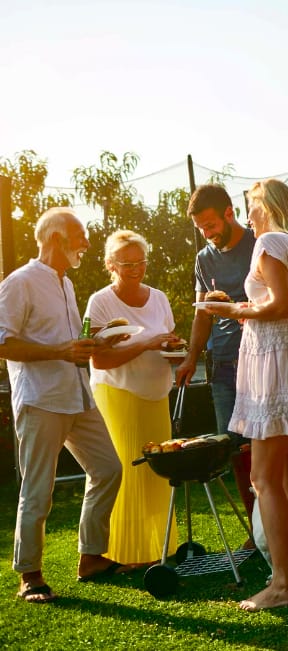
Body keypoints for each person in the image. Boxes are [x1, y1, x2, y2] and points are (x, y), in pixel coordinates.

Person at [203, 178, 288, 611]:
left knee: (264, 479)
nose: (247, 215)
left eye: (251, 205)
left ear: (268, 205)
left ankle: (283, 584)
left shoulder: (270, 243)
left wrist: (233, 310)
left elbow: (279, 306)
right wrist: (253, 317)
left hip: (274, 372)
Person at [0, 207, 125, 603]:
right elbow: (3, 343)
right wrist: (60, 350)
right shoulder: (19, 283)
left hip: (77, 394)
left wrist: (99, 341)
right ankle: (30, 576)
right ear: (56, 238)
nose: (86, 243)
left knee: (108, 468)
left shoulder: (66, 284)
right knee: (38, 489)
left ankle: (91, 557)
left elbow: (70, 342)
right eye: (80, 235)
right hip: (41, 399)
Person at [85, 230, 186, 567]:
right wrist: (146, 343)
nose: (135, 268)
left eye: (140, 261)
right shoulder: (101, 302)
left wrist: (175, 350)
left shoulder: (158, 298)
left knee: (158, 471)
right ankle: (123, 553)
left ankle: (158, 549)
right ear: (110, 265)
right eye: (127, 263)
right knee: (127, 472)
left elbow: (166, 344)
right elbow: (99, 359)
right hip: (119, 395)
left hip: (157, 394)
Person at [175, 184, 256, 527]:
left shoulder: (259, 243)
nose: (207, 234)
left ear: (229, 212)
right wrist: (191, 358)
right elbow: (202, 313)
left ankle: (282, 524)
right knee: (235, 450)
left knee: (266, 448)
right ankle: (257, 529)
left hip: (260, 357)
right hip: (222, 365)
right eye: (200, 229)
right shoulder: (203, 259)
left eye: (210, 225)